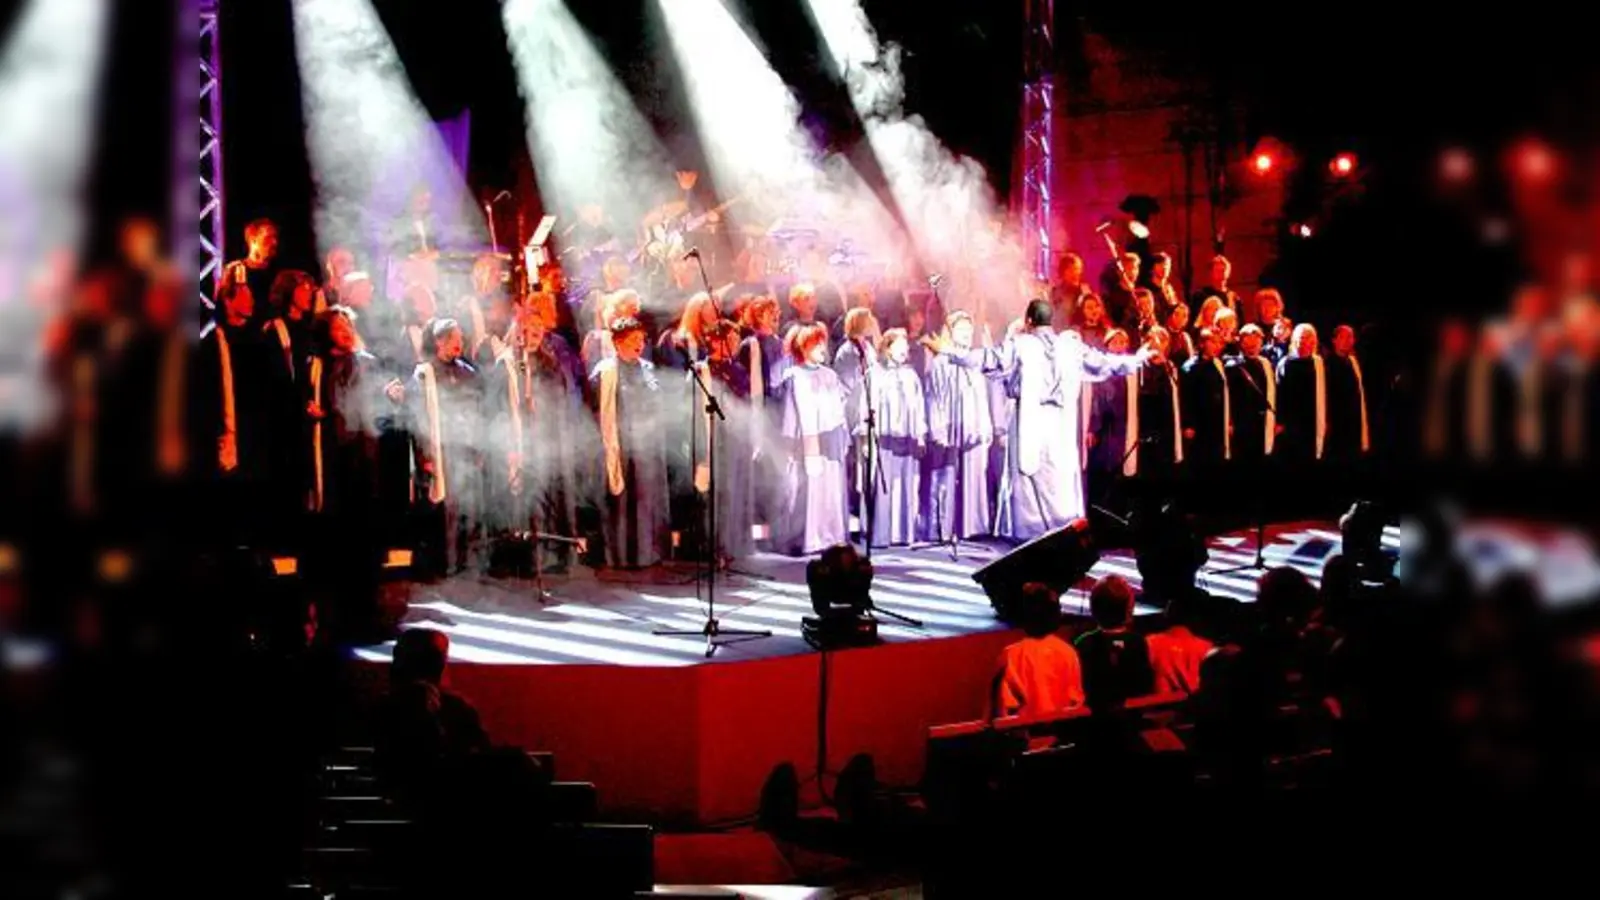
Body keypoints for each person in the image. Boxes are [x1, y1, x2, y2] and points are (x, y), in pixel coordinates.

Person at [925, 298, 1150, 542]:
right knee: (1058, 479)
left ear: (1029, 321)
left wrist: (949, 351)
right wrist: (1134, 360)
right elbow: (1102, 362)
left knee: (1030, 479)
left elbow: (988, 359)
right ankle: (1063, 531)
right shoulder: (1070, 347)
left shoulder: (1021, 345)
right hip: (1061, 424)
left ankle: (1031, 535)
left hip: (1030, 419)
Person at [486, 295, 587, 571]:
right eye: (527, 333)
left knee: (549, 496)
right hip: (520, 442)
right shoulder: (507, 364)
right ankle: (527, 559)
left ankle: (553, 555)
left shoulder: (549, 362)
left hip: (547, 441)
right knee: (527, 501)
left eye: (537, 333)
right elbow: (494, 407)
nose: (532, 338)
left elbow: (560, 400)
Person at [590, 317, 670, 569]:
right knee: (623, 501)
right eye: (633, 340)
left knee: (647, 498)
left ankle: (649, 552)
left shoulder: (647, 368)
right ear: (617, 342)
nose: (639, 344)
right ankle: (621, 555)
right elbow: (596, 411)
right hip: (620, 445)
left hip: (647, 444)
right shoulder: (605, 372)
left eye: (641, 339)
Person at [409, 319, 485, 576]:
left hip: (465, 447)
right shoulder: (425, 373)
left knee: (467, 505)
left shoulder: (469, 373)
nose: (459, 344)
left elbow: (478, 413)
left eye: (461, 339)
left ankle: (465, 561)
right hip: (441, 449)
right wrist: (424, 454)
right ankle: (441, 563)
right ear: (439, 341)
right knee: (442, 509)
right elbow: (418, 416)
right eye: (454, 339)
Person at [776, 323, 850, 555]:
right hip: (807, 443)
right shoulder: (794, 376)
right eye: (816, 342)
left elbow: (839, 410)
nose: (822, 347)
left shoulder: (830, 375)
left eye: (823, 342)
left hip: (831, 441)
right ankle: (809, 538)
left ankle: (832, 536)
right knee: (808, 490)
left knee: (831, 489)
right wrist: (806, 447)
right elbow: (794, 417)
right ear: (803, 346)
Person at [924, 311, 993, 542]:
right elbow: (935, 397)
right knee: (945, 475)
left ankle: (972, 526)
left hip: (973, 427)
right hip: (951, 427)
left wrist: (986, 426)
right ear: (950, 332)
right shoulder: (942, 361)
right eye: (960, 329)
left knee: (974, 476)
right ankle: (942, 527)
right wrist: (938, 429)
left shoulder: (974, 360)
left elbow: (983, 398)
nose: (966, 334)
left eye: (968, 330)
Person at [863, 328, 926, 547]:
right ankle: (882, 534)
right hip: (884, 439)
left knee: (906, 484)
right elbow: (867, 407)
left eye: (905, 346)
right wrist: (865, 437)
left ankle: (903, 533)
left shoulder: (910, 375)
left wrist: (920, 434)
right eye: (899, 346)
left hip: (906, 439)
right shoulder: (875, 374)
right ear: (887, 348)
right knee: (884, 485)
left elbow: (918, 407)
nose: (904, 350)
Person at [699, 320, 755, 561]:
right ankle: (716, 547)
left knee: (736, 492)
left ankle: (734, 544)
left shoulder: (738, 369)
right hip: (715, 439)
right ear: (713, 340)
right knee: (719, 494)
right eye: (729, 339)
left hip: (736, 438)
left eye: (735, 339)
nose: (734, 344)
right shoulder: (704, 370)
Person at [992, 583, 1085, 718]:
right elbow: (1075, 701)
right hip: (1059, 733)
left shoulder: (1010, 655)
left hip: (1025, 734)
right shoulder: (1068, 653)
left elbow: (1005, 709)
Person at [1073, 575, 1154, 710]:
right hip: (1132, 719)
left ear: (1093, 608)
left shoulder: (1083, 643)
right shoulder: (1138, 642)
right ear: (1129, 608)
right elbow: (1145, 685)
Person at [1180, 327, 1232, 471]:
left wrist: (1228, 420)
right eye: (1213, 342)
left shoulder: (1218, 364)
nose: (1217, 346)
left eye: (1219, 343)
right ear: (1202, 344)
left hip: (1216, 423)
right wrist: (1188, 424)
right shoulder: (1190, 367)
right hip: (1199, 424)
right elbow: (1186, 398)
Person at [1275, 323, 1327, 465]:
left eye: (1310, 338)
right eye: (1301, 337)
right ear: (1294, 340)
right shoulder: (1285, 364)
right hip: (1292, 425)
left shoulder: (1320, 363)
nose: (1305, 342)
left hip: (1314, 422)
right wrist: (1280, 422)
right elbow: (1279, 395)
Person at [1228, 324, 1279, 466]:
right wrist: (1230, 422)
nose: (1252, 345)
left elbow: (1273, 393)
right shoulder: (1232, 366)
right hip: (1242, 424)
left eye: (1256, 342)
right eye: (1248, 342)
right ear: (1241, 343)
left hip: (1263, 424)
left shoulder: (1266, 364)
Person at [1146, 591, 1215, 696]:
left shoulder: (1149, 643)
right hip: (1197, 709)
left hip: (1160, 708)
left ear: (1167, 613)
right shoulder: (1207, 647)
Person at [221, 218, 281, 327]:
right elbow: (220, 311)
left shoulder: (279, 272)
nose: (274, 242)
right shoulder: (235, 270)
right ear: (253, 240)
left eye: (275, 238)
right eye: (268, 238)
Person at [1323, 324, 1371, 461]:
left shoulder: (1354, 362)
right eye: (1342, 336)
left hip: (1354, 422)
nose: (1347, 340)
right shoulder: (1326, 364)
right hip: (1335, 424)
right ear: (1334, 340)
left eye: (1350, 337)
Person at [1049, 251, 1092, 330]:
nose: (1077, 272)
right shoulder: (1054, 293)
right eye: (1072, 269)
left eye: (1078, 269)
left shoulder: (1085, 292)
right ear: (1063, 271)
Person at [1191, 254, 1240, 321]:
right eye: (1218, 270)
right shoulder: (1200, 296)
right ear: (1211, 272)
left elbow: (1240, 323)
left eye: (1224, 270)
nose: (1222, 273)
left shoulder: (1234, 297)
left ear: (1229, 272)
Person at [1148, 251, 1182, 319]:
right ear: (1152, 268)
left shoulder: (1169, 289)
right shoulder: (1148, 290)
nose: (1164, 267)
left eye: (1167, 265)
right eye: (1160, 264)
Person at [1164, 302, 1195, 367]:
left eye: (1184, 316)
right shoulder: (1162, 334)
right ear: (1170, 315)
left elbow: (1191, 360)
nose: (1180, 318)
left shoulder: (1185, 337)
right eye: (1177, 314)